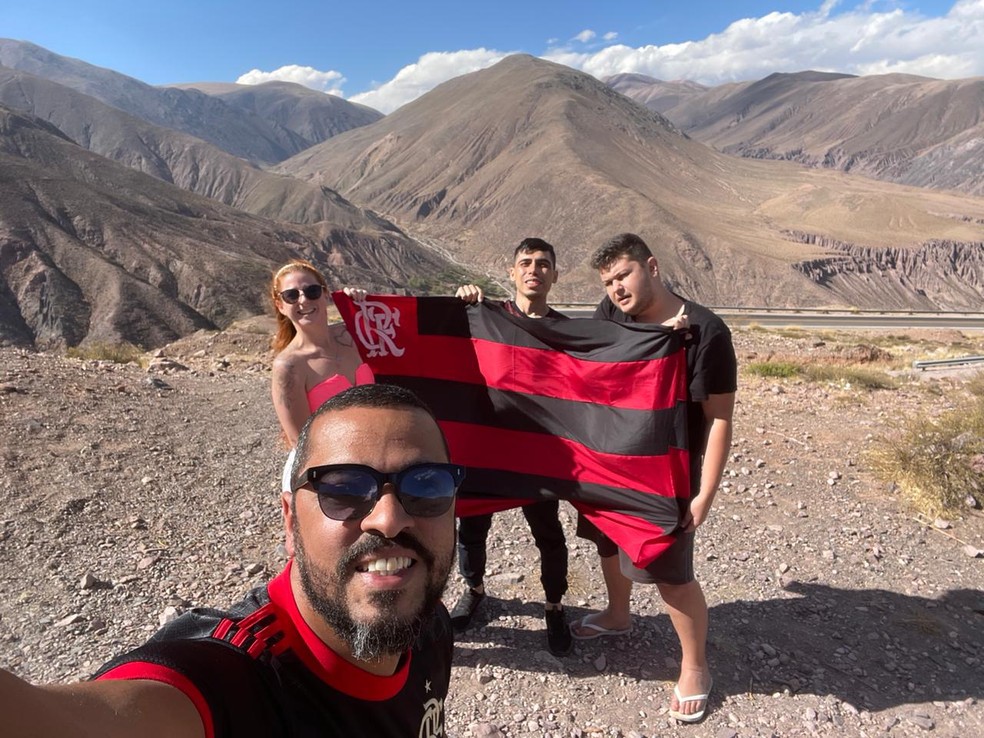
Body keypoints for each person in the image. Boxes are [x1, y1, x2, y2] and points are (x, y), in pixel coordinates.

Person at [0, 384, 462, 737]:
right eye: (342, 488)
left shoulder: (427, 622)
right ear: (289, 521)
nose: (389, 518)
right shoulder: (229, 680)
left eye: (427, 485)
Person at [572, 233, 737, 723]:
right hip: (610, 464)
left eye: (623, 275)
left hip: (667, 472)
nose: (617, 288)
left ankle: (695, 667)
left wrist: (705, 493)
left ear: (652, 266)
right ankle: (618, 615)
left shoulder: (707, 332)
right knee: (606, 545)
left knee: (669, 571)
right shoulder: (610, 314)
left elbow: (721, 417)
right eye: (608, 281)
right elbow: (588, 366)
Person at [450, 237, 573, 657]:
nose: (534, 269)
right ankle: (476, 590)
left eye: (543, 264)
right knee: (472, 527)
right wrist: (463, 301)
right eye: (525, 262)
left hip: (539, 452)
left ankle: (555, 607)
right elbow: (444, 342)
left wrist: (665, 336)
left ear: (555, 274)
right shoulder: (487, 317)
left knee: (549, 535)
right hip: (484, 445)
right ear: (512, 271)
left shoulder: (567, 331)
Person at [269, 260, 373, 491]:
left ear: (325, 294)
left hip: (371, 462)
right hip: (324, 474)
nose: (304, 300)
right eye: (291, 295)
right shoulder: (289, 366)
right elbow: (302, 443)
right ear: (280, 305)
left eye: (312, 291)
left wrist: (362, 305)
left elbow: (404, 335)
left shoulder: (354, 334)